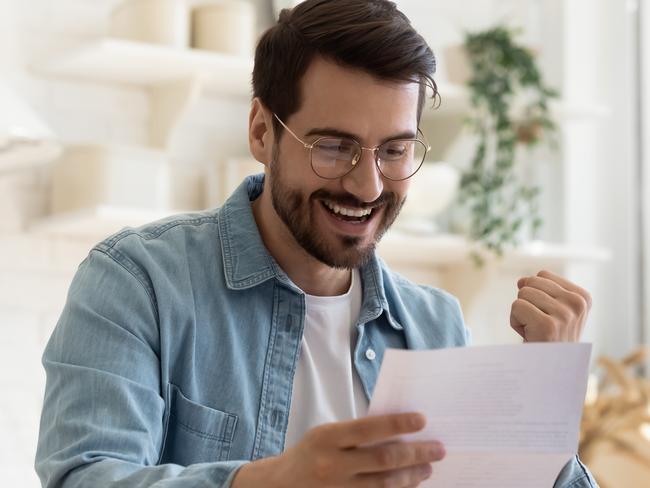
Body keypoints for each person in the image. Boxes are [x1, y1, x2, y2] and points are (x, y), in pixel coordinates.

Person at [35, 1, 599, 487]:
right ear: (261, 131)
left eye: (395, 151)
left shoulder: (435, 325)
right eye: (334, 146)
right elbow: (84, 476)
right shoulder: (138, 283)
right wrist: (273, 480)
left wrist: (543, 403)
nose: (367, 184)